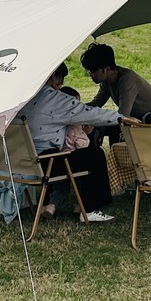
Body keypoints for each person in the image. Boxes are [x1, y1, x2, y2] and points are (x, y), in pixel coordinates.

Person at [19, 63, 141, 223]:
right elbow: (87, 112)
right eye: (59, 80)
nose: (60, 85)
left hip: (18, 161)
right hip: (44, 164)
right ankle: (89, 209)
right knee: (94, 155)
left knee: (83, 154)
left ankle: (60, 203)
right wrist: (121, 118)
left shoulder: (23, 96)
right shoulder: (53, 99)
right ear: (52, 76)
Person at [80, 43, 151, 127]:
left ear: (107, 69)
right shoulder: (106, 82)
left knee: (106, 125)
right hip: (138, 120)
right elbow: (96, 103)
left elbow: (122, 115)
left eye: (93, 71)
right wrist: (76, 109)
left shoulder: (127, 80)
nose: (90, 75)